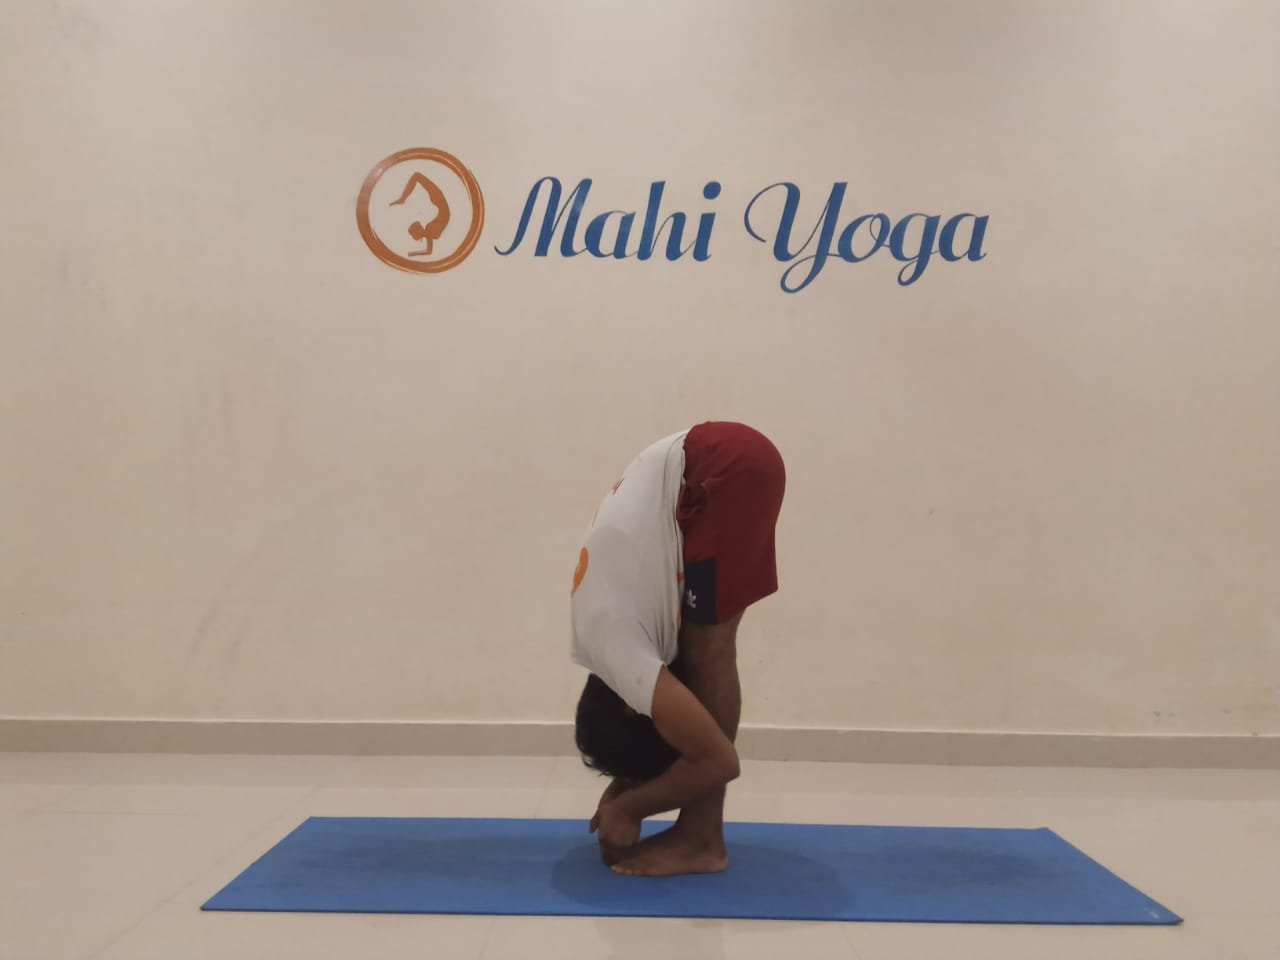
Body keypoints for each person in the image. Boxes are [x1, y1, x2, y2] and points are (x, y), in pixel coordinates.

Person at [570, 422, 785, 876]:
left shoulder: (623, 653)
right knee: (698, 650)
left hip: (719, 469)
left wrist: (633, 809)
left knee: (709, 650)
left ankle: (702, 838)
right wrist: (626, 786)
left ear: (632, 709)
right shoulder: (607, 651)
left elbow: (719, 762)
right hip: (714, 462)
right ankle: (700, 834)